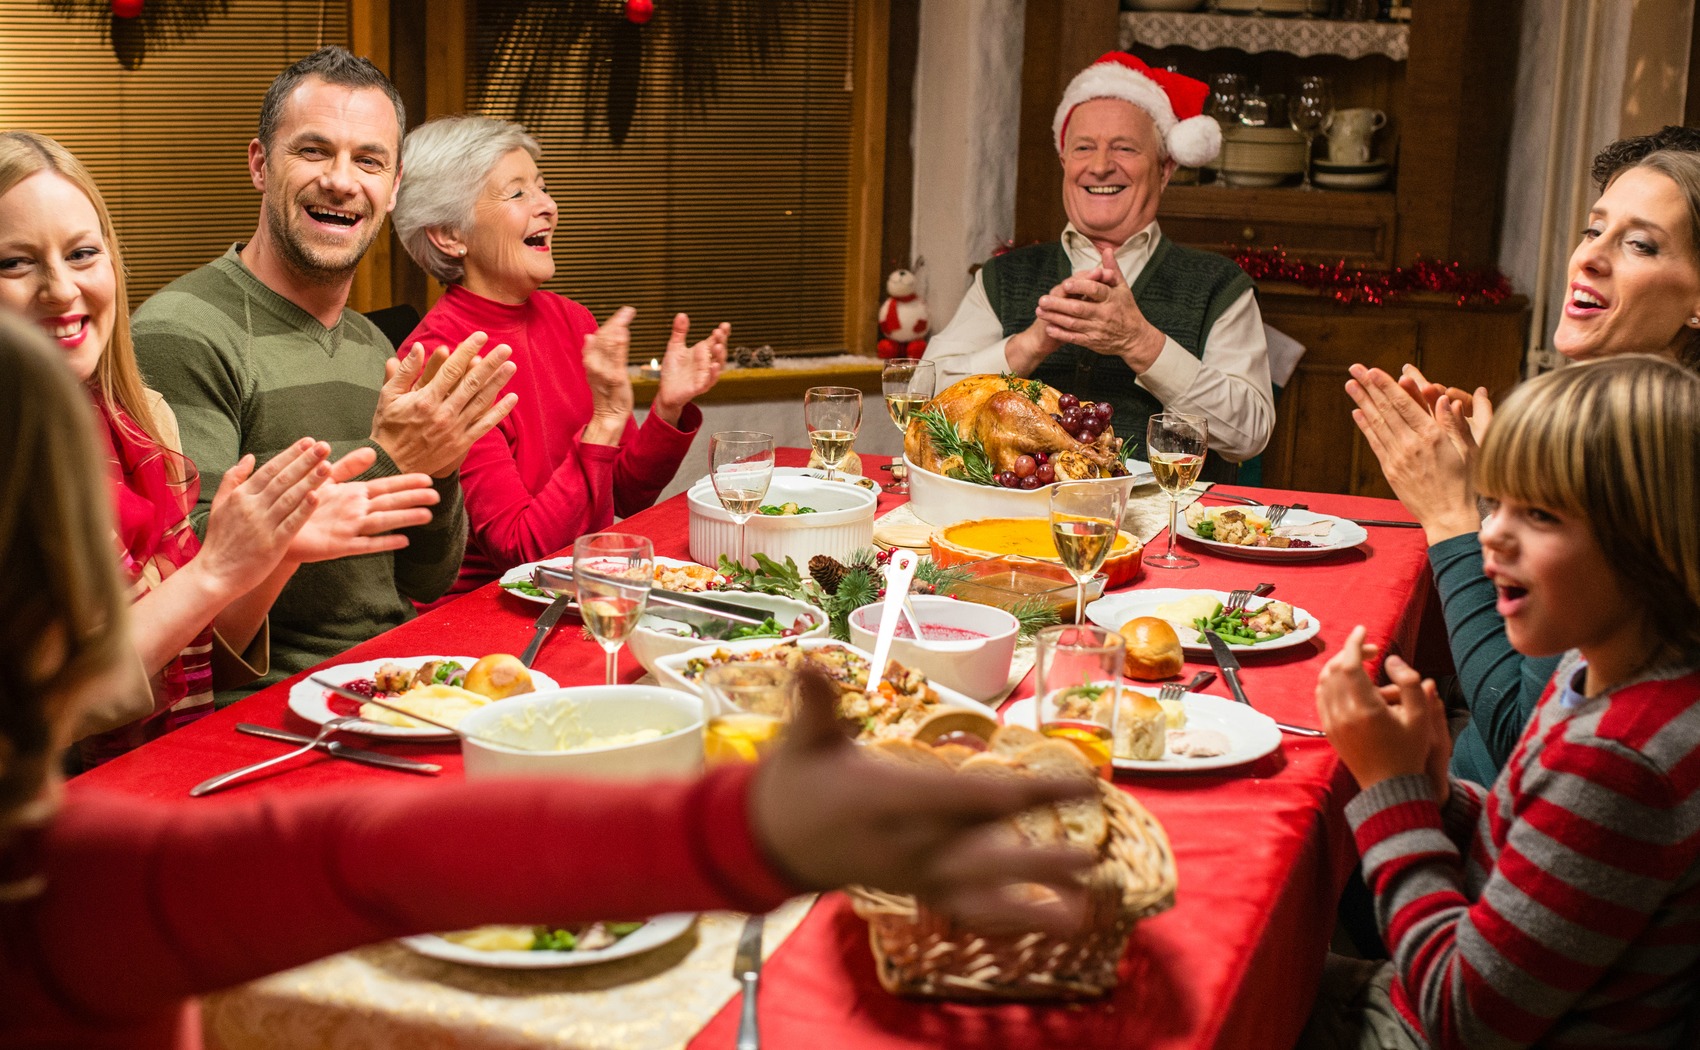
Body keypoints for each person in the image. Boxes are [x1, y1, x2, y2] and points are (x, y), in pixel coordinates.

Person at [0, 310, 1098, 1048]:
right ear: (66, 613)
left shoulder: (60, 881)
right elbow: (381, 863)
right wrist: (757, 831)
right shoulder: (69, 896)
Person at [0, 131, 441, 764]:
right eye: (15, 263)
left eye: (82, 254)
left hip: (170, 767)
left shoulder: (142, 420)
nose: (63, 290)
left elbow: (203, 654)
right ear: (261, 164)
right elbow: (50, 709)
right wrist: (213, 572)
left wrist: (274, 552)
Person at [1307, 355, 1700, 1050]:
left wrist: (1394, 797)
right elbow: (1540, 850)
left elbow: (1462, 1017)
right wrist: (1440, 799)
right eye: (1497, 501)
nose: (1489, 532)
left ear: (1654, 545)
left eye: (1540, 514)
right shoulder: (1599, 665)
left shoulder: (1621, 759)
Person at [132, 47, 518, 696]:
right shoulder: (181, 332)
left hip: (397, 682)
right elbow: (191, 580)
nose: (342, 180)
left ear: (393, 189)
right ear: (260, 164)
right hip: (271, 711)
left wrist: (440, 467)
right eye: (313, 151)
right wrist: (391, 458)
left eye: (368, 160)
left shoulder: (375, 345)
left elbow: (423, 581)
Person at [1346, 147, 1700, 782]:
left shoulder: (1647, 465)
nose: (1588, 256)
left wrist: (1451, 516)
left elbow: (1523, 731)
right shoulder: (1610, 427)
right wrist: (1488, 489)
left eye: (1641, 245)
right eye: (1595, 229)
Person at [392, 115, 728, 598]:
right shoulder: (444, 360)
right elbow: (522, 554)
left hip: (583, 586)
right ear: (449, 235)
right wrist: (606, 420)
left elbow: (626, 494)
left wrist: (667, 409)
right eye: (518, 193)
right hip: (487, 618)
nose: (548, 206)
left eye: (543, 187)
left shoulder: (573, 320)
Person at [924, 52, 1274, 479]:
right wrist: (1030, 344)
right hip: (1009, 519)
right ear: (1064, 163)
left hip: (1162, 527)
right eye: (1084, 147)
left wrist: (1140, 343)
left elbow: (1248, 434)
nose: (1100, 165)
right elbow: (921, 399)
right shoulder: (1004, 277)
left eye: (1124, 148)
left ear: (1165, 169)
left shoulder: (1219, 286)